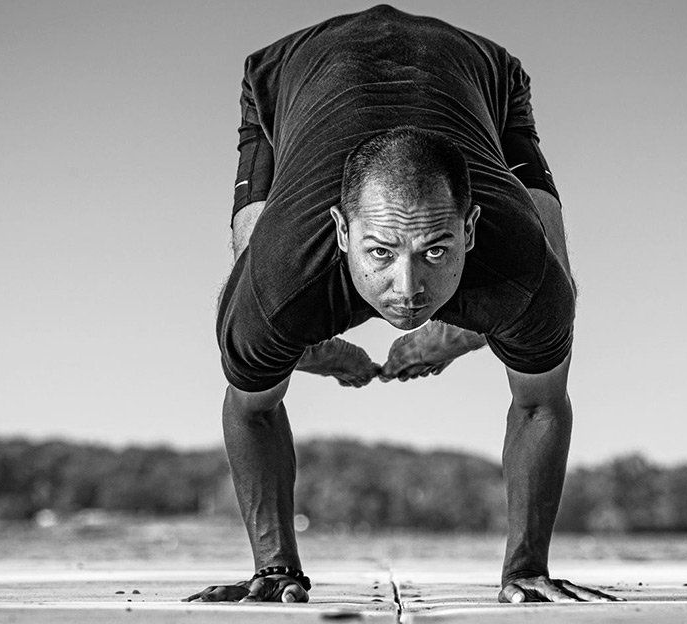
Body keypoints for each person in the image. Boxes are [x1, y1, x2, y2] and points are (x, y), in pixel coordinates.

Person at [187, 5, 620, 604]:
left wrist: (526, 567)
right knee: (258, 288)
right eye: (381, 253)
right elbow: (250, 410)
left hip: (476, 71)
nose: (408, 287)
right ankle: (312, 346)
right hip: (293, 72)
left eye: (436, 250)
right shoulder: (285, 278)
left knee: (553, 291)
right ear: (340, 232)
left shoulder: (515, 268)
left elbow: (541, 406)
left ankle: (460, 329)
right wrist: (276, 569)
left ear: (470, 229)